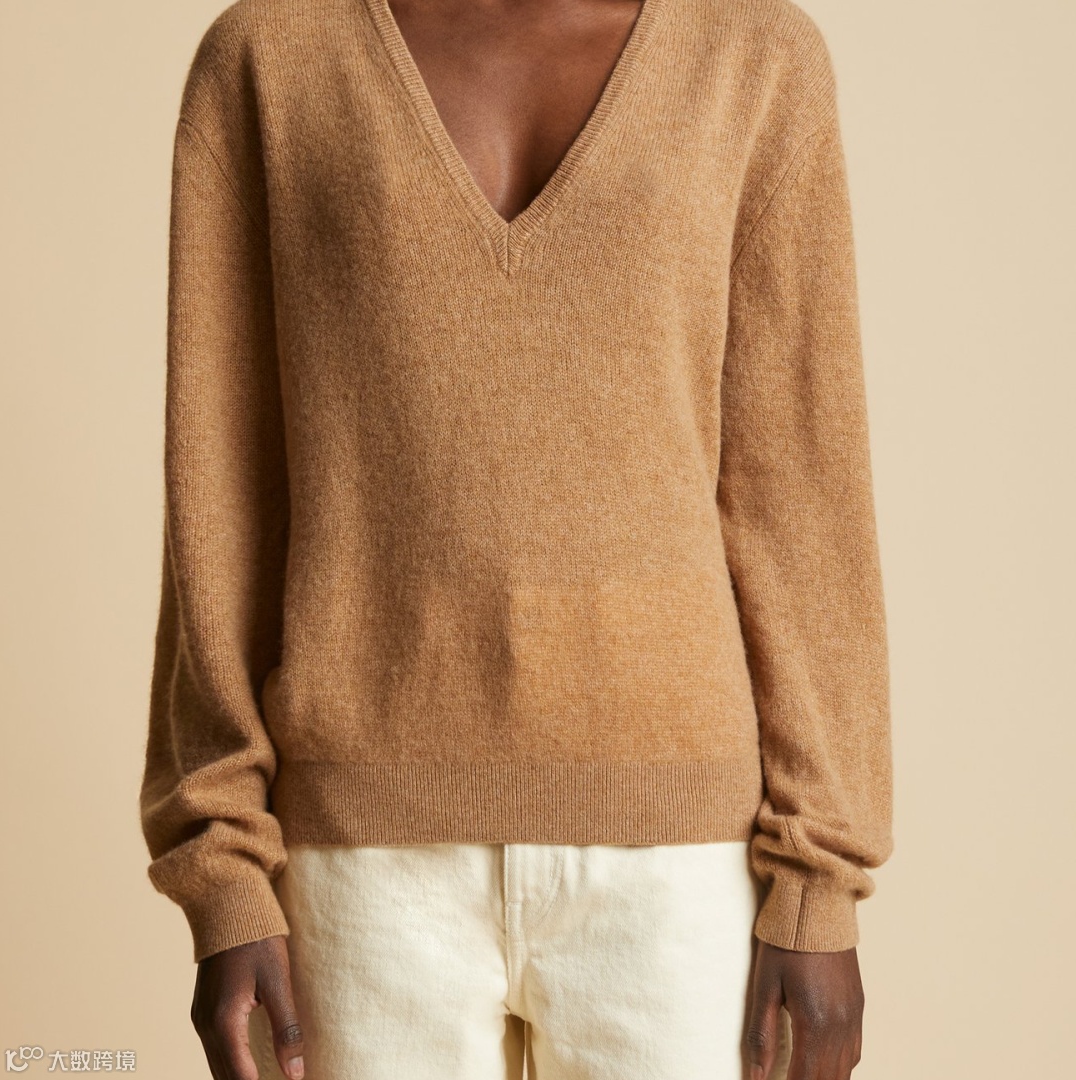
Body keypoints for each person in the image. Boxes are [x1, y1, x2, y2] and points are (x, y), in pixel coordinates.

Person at [139, 0, 894, 1077]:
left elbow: (801, 492)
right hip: (357, 861)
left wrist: (821, 883)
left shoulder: (753, 59)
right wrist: (221, 870)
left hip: (682, 863)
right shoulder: (270, 59)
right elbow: (221, 489)